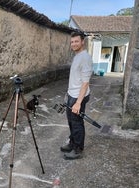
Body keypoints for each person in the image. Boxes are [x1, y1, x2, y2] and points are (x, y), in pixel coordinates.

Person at [60, 32, 93, 160]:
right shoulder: (77, 56)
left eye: (76, 41)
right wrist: (68, 94)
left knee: (77, 123)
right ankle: (72, 143)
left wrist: (78, 102)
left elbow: (85, 83)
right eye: (72, 42)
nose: (73, 44)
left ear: (82, 42)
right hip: (72, 94)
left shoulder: (85, 58)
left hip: (79, 96)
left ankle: (78, 149)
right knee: (71, 121)